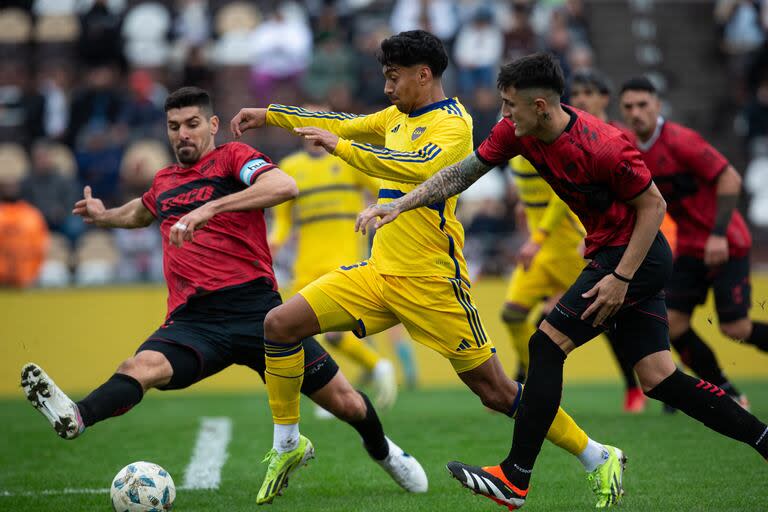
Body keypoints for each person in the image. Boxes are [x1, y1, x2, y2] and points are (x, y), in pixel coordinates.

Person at [356, 53, 768, 510]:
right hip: (616, 254)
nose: (503, 114)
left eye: (509, 105)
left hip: (636, 256)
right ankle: (765, 439)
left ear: (540, 106)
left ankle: (514, 478)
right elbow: (460, 174)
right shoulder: (518, 133)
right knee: (660, 379)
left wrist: (621, 277)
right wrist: (400, 205)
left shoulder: (605, 145)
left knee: (547, 345)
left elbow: (653, 207)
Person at [231, 31, 625, 508]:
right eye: (384, 78)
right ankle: (288, 445)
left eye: (393, 78)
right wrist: (270, 114)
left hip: (434, 283)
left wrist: (340, 147)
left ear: (424, 74)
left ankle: (596, 454)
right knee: (279, 324)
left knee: (497, 392)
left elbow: (413, 168)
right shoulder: (395, 116)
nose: (387, 89)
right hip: (378, 274)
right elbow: (342, 121)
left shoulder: (454, 123)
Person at [20, 87, 427, 505]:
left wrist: (210, 209)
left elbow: (284, 186)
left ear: (212, 125)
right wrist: (105, 216)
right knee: (140, 366)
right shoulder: (164, 181)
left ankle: (384, 452)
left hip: (261, 315)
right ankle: (77, 416)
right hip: (194, 322)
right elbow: (142, 212)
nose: (183, 134)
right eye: (175, 127)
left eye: (193, 124)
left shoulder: (234, 158)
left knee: (346, 403)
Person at [618, 77, 768, 394]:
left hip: (727, 243)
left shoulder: (681, 140)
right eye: (629, 106)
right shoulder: (630, 147)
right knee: (672, 324)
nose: (636, 113)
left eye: (643, 104)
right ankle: (727, 391)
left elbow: (730, 179)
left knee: (734, 327)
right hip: (688, 247)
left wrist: (718, 234)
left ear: (657, 105)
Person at [269, 112, 399, 411]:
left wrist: (381, 212)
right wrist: (274, 242)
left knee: (332, 334)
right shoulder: (290, 168)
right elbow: (284, 221)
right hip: (306, 265)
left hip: (343, 260)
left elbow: (384, 189)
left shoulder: (346, 159)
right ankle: (341, 384)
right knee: (295, 330)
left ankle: (373, 368)